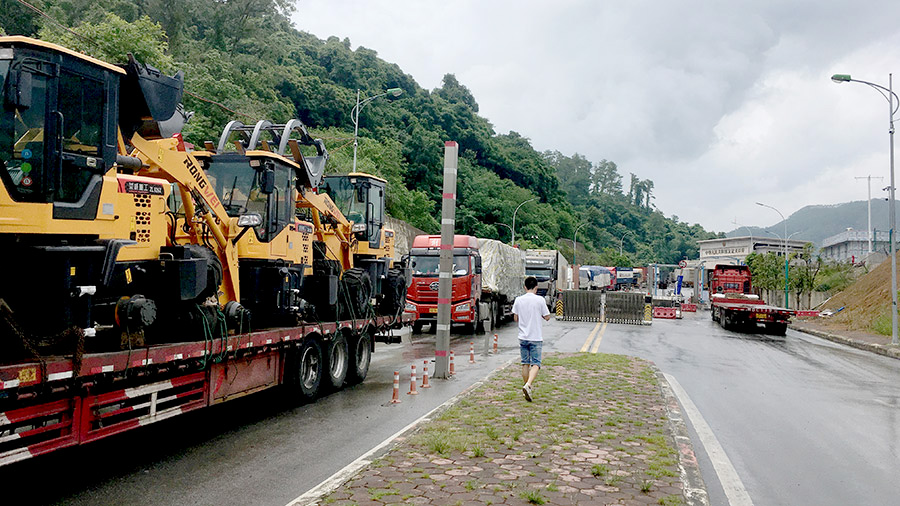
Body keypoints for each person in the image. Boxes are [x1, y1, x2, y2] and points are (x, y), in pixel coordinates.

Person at [512, 276, 551, 402]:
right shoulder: (540, 300)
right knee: (536, 364)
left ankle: (526, 388)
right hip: (535, 337)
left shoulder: (518, 300)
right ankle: (528, 385)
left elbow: (515, 318)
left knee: (525, 363)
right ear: (536, 288)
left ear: (525, 287)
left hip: (522, 336)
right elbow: (547, 316)